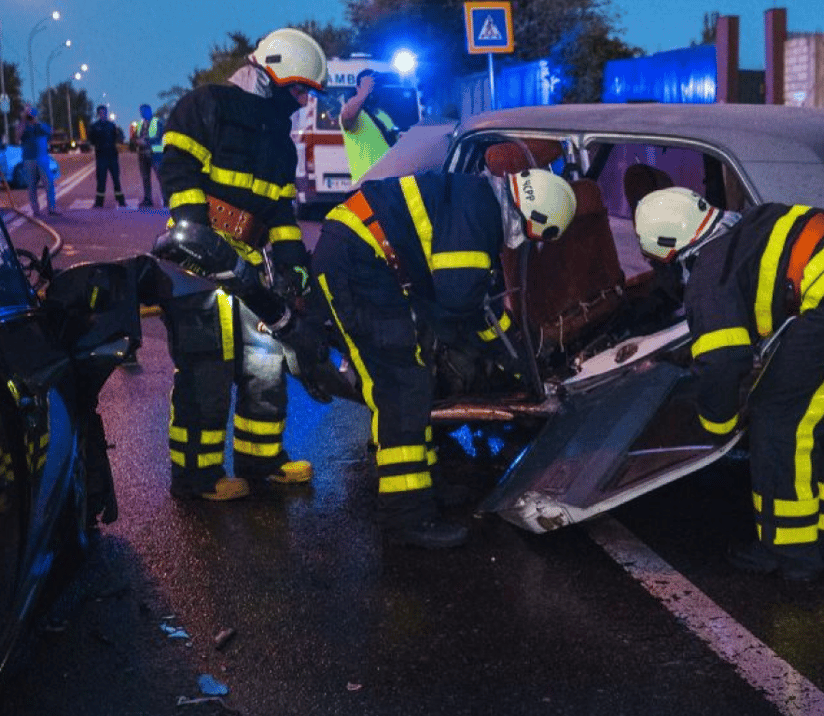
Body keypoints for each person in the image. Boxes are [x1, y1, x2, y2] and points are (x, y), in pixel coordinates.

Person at [633, 187, 824, 581]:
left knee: (777, 416)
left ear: (667, 249)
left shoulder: (709, 274)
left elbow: (724, 361)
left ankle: (789, 552)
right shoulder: (750, 225)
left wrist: (716, 423)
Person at [309, 167, 576, 548]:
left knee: (415, 379)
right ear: (531, 219)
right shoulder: (480, 215)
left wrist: (506, 342)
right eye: (534, 236)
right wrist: (509, 351)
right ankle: (405, 516)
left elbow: (457, 301)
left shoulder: (479, 199)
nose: (523, 244)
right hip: (357, 264)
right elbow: (460, 302)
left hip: (363, 258)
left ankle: (422, 488)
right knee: (401, 387)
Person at [152, 28, 330, 502]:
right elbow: (178, 170)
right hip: (193, 267)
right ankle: (196, 477)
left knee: (265, 371)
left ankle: (261, 460)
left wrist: (293, 266)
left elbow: (279, 212)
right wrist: (194, 232)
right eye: (298, 89)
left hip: (250, 267)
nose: (299, 101)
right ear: (272, 73)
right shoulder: (205, 105)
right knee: (205, 375)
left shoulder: (280, 141)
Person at [339, 70, 399, 183]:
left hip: (387, 182)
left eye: (374, 86)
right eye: (368, 85)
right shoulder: (355, 112)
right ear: (357, 88)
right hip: (365, 185)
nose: (372, 89)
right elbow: (347, 118)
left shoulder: (382, 115)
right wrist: (364, 92)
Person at [19, 106, 58, 216]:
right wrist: (23, 120)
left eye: (32, 115)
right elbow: (18, 136)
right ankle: (36, 210)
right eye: (29, 115)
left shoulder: (40, 126)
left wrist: (37, 123)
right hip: (28, 159)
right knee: (31, 185)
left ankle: (52, 208)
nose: (30, 117)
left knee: (49, 183)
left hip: (41, 157)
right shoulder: (24, 127)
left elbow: (51, 131)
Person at [88, 105, 128, 208]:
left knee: (116, 179)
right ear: (98, 114)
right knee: (101, 180)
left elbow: (117, 137)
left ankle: (121, 201)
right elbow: (91, 140)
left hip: (112, 156)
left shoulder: (112, 125)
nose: (103, 115)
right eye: (101, 113)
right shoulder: (94, 126)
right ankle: (99, 202)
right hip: (101, 157)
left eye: (104, 113)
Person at [131, 104, 165, 208]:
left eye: (144, 111)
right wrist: (136, 141)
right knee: (145, 178)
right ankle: (147, 199)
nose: (142, 114)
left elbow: (160, 136)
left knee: (161, 177)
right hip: (142, 154)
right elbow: (136, 135)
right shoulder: (140, 123)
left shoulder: (157, 122)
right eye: (141, 112)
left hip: (155, 154)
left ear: (150, 111)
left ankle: (166, 199)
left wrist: (146, 141)